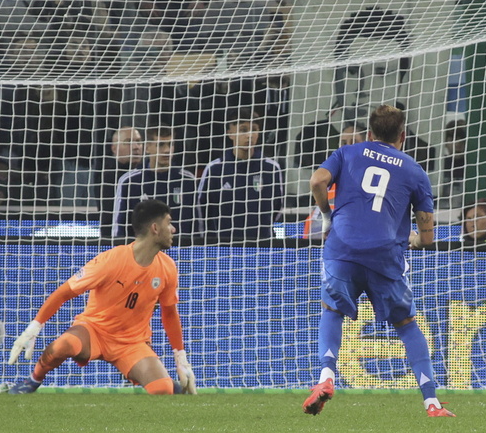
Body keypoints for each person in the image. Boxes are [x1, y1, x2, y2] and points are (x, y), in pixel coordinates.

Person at [303, 104, 455, 417]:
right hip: (385, 255)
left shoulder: (348, 152)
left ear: (370, 133)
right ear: (403, 136)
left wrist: (328, 216)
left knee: (332, 311)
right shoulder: (414, 170)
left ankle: (326, 378)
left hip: (343, 248)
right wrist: (414, 238)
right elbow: (426, 231)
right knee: (406, 325)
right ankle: (431, 402)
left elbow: (317, 181)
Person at [7, 199, 197, 395]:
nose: (173, 229)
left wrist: (180, 358)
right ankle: (33, 380)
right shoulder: (111, 261)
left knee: (163, 390)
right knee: (62, 347)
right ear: (155, 228)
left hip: (132, 343)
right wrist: (35, 326)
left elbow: (169, 313)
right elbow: (64, 292)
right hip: (94, 330)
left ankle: (168, 383)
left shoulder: (168, 267)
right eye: (169, 223)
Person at [196, 108, 284, 241]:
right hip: (223, 248)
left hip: (262, 247)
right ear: (230, 134)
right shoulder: (215, 169)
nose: (249, 135)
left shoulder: (271, 169)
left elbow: (277, 208)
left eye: (254, 129)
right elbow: (202, 210)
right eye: (243, 130)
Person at [112, 127, 197, 240]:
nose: (167, 150)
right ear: (147, 148)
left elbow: (198, 225)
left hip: (181, 253)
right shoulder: (129, 181)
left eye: (170, 144)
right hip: (142, 254)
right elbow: (119, 226)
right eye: (161, 145)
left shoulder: (187, 180)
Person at [96, 126, 144, 238]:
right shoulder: (107, 177)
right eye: (128, 142)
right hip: (118, 242)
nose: (136, 147)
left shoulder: (147, 174)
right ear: (114, 148)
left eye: (138, 142)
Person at [439, 119, 466, 209]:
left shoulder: (473, 164)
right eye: (452, 139)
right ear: (445, 143)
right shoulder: (440, 165)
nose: (458, 144)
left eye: (461, 139)